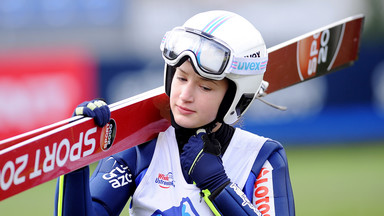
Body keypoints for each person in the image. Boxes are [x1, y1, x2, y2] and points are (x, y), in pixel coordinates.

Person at [54, 10, 295, 216]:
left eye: (205, 86)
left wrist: (218, 185)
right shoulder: (140, 149)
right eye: (181, 77)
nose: (185, 95)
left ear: (235, 98)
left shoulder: (262, 158)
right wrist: (77, 156)